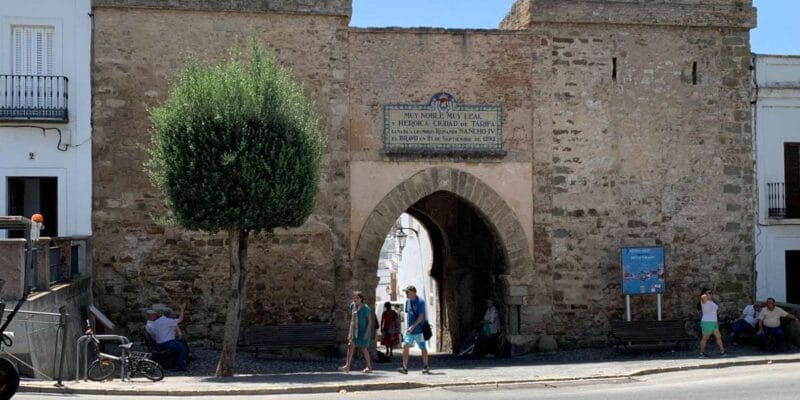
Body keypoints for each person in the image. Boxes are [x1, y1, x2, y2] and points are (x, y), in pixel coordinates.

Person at [146, 303, 189, 370]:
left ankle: (184, 359)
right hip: (166, 342)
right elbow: (180, 319)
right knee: (183, 349)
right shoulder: (165, 321)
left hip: (159, 342)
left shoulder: (153, 323)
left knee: (182, 342)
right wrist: (182, 309)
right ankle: (179, 365)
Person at [339, 291, 373, 373]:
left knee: (364, 349)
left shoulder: (366, 308)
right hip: (354, 331)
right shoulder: (352, 306)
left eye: (357, 298)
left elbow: (370, 322)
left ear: (361, 299)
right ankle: (347, 366)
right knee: (350, 345)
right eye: (354, 298)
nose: (355, 299)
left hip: (363, 331)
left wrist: (367, 333)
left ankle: (369, 367)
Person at [398, 285, 430, 374]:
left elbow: (420, 317)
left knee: (423, 348)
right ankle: (404, 367)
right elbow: (408, 315)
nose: (406, 294)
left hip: (419, 331)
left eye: (407, 292)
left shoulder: (420, 302)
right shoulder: (407, 302)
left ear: (413, 292)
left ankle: (426, 366)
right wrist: (407, 328)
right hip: (409, 331)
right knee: (405, 346)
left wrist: (413, 327)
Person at [698, 288, 726, 358]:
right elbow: (702, 296)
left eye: (711, 293)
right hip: (707, 322)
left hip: (714, 322)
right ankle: (701, 353)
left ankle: (722, 352)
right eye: (709, 293)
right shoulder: (704, 301)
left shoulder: (711, 302)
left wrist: (709, 296)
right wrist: (705, 294)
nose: (711, 294)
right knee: (705, 338)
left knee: (719, 337)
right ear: (705, 294)